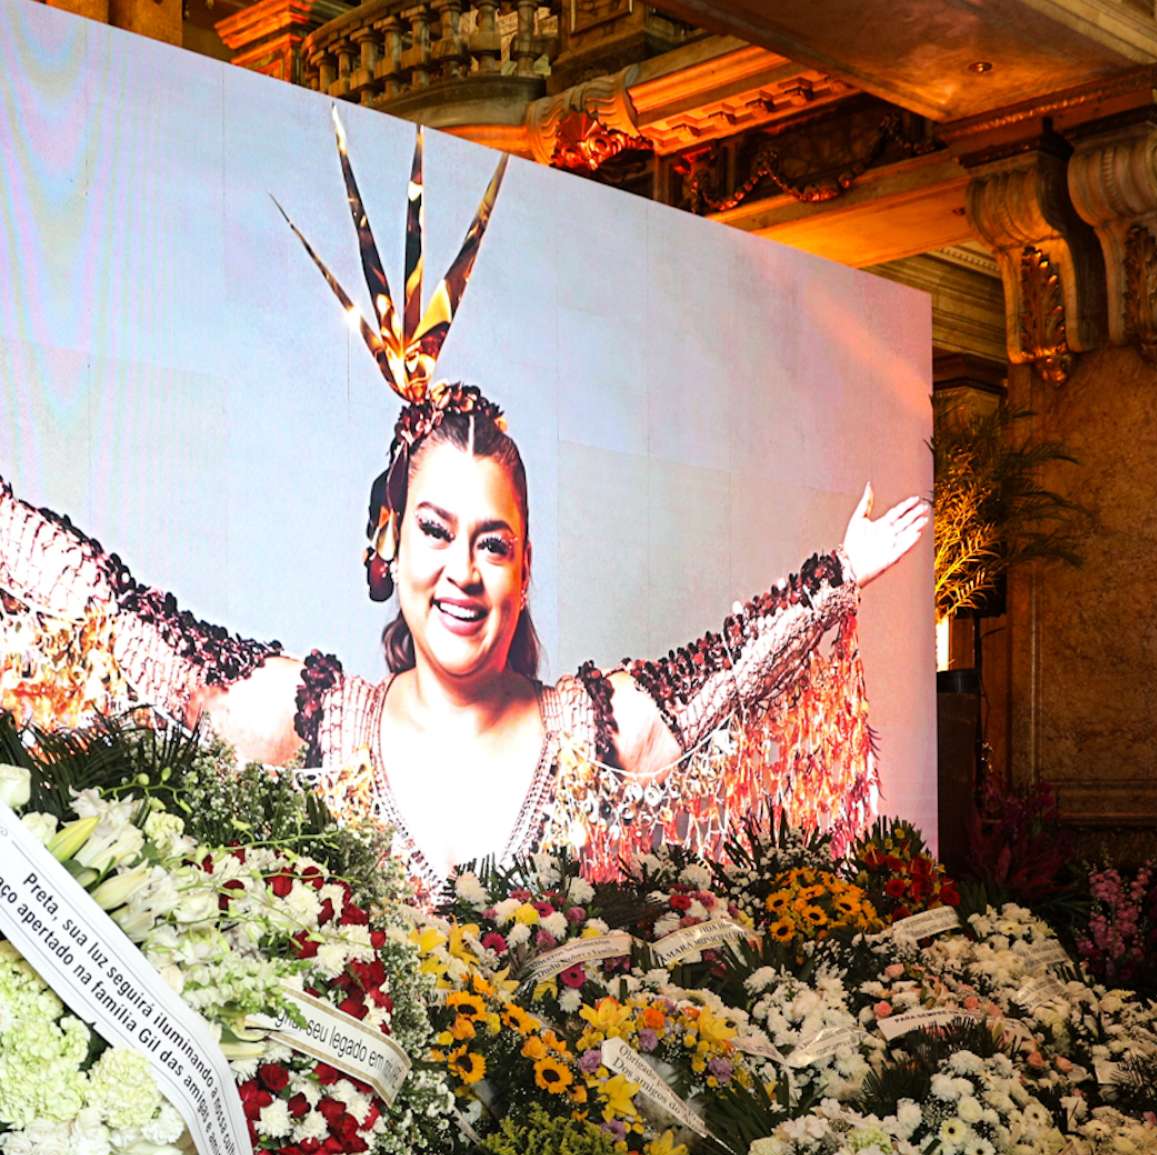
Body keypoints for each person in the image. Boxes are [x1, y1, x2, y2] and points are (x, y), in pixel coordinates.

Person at [0, 115, 927, 899]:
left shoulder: (589, 732)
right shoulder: (316, 722)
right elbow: (123, 632)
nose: (462, 573)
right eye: (437, 532)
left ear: (524, 571)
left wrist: (836, 578)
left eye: (493, 544)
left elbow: (721, 685)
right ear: (389, 544)